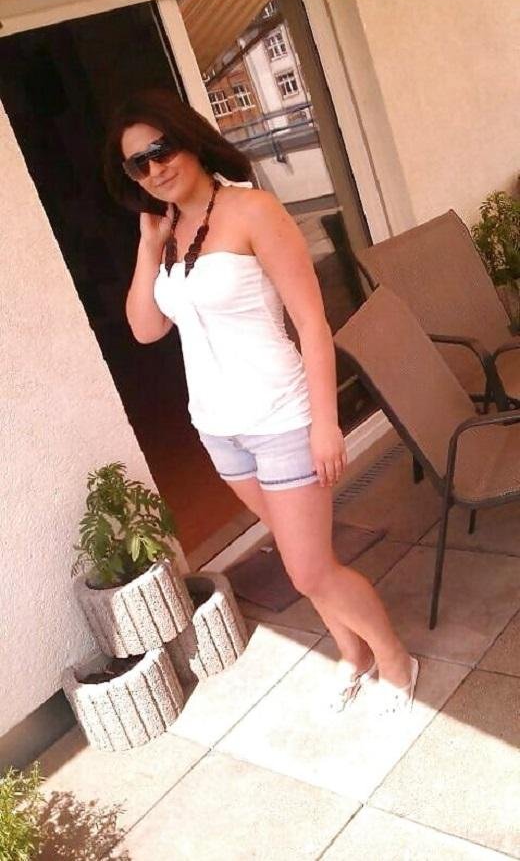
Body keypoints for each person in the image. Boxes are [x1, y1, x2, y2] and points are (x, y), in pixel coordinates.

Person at [104, 88, 419, 715]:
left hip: (282, 418)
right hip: (219, 428)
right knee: (304, 555)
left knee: (308, 570)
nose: (155, 168)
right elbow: (145, 327)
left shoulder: (253, 211)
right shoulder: (168, 235)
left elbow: (311, 322)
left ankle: (393, 660)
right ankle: (352, 654)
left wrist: (326, 423)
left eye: (161, 149)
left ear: (189, 139)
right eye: (138, 163)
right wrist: (147, 245)